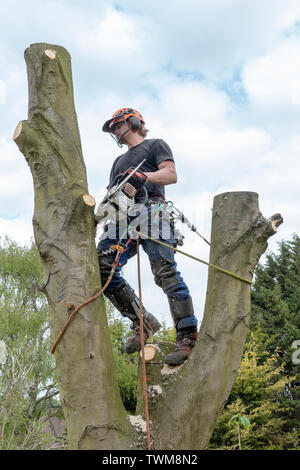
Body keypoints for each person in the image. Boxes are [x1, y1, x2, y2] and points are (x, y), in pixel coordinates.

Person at [96, 107, 198, 365]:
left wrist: (145, 176)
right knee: (101, 266)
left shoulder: (155, 145)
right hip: (122, 219)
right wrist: (98, 217)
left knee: (165, 273)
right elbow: (112, 195)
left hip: (153, 212)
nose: (114, 130)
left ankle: (187, 337)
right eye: (112, 128)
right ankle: (143, 321)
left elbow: (171, 175)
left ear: (133, 121)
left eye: (117, 124)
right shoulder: (118, 163)